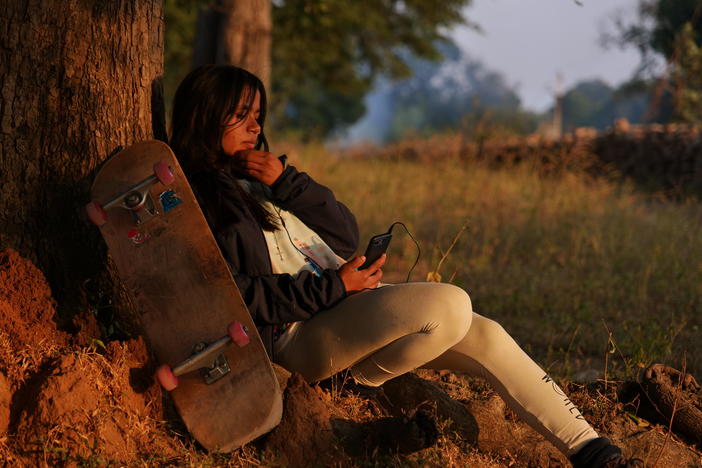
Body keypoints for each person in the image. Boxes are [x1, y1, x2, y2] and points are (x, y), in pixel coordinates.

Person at [169, 64, 643, 468]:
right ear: (207, 118)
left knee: (486, 334)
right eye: (241, 116)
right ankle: (349, 384)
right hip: (295, 335)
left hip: (335, 308)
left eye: (258, 116)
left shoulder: (256, 180)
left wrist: (288, 182)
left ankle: (594, 453)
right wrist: (333, 288)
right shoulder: (201, 200)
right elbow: (237, 297)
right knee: (451, 304)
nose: (255, 126)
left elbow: (342, 235)